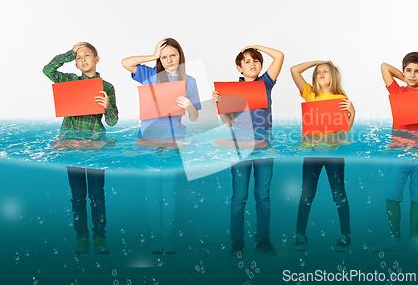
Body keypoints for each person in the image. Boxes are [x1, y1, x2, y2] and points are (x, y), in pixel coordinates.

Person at [122, 38, 201, 254]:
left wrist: (189, 107)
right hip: (148, 140)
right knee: (152, 193)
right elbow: (126, 63)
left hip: (174, 140)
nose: (168, 60)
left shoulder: (190, 82)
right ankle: (157, 239)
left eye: (172, 55)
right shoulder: (151, 75)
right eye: (164, 56)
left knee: (170, 191)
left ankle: (168, 237)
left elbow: (194, 117)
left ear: (180, 56)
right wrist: (152, 56)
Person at [43, 42, 118, 254]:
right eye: (78, 57)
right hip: (72, 146)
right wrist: (69, 53)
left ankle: (100, 237)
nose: (83, 59)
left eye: (87, 55)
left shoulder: (107, 87)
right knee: (77, 195)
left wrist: (107, 106)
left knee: (97, 195)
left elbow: (112, 121)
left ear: (97, 59)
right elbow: (47, 70)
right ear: (75, 64)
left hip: (95, 146)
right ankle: (82, 238)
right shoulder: (69, 82)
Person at [212, 45, 284, 256]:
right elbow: (228, 122)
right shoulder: (231, 91)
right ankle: (237, 241)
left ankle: (263, 240)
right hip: (240, 148)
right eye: (247, 61)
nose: (253, 64)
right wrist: (219, 105)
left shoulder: (265, 84)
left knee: (263, 196)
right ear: (239, 68)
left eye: (256, 61)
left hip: (264, 147)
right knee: (239, 197)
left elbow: (279, 56)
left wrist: (255, 47)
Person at [374, 52, 418, 252]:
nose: (412, 75)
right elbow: (384, 66)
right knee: (392, 195)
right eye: (408, 71)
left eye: (417, 71)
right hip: (399, 153)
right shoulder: (398, 92)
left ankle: (413, 238)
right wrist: (404, 78)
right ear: (403, 72)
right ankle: (394, 237)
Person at [290, 60, 355, 252]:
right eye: (318, 72)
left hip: (334, 153)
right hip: (312, 153)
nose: (321, 74)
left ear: (333, 75)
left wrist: (352, 112)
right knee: (306, 195)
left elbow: (345, 129)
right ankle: (300, 234)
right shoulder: (311, 94)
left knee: (339, 195)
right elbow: (294, 70)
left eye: (325, 71)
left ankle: (345, 235)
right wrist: (316, 62)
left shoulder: (340, 97)